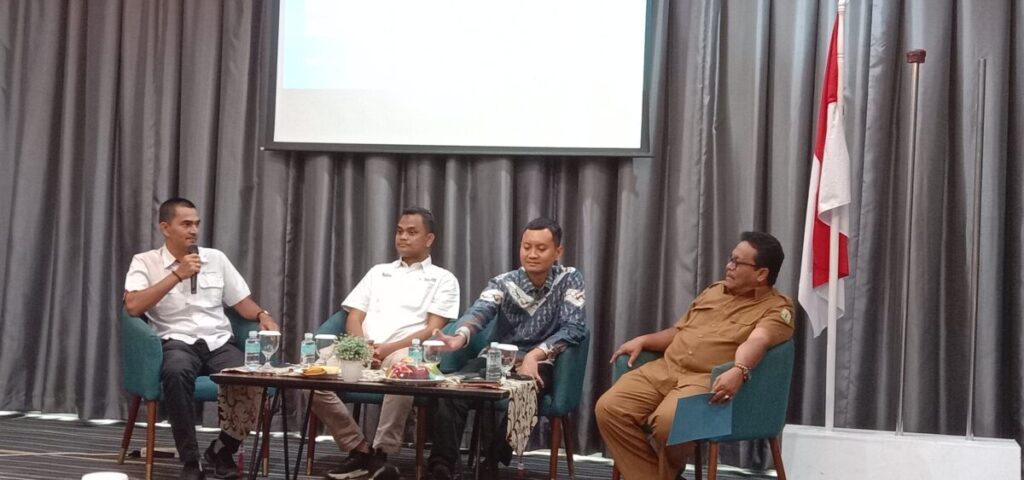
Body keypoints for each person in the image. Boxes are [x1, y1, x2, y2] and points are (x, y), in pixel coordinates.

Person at [595, 231, 795, 480]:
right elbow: (679, 332)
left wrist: (740, 368)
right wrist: (645, 340)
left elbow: (758, 341)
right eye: (730, 259)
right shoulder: (714, 291)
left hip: (704, 379)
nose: (729, 266)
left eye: (737, 262)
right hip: (665, 369)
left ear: (761, 273)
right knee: (609, 408)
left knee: (670, 423)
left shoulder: (777, 308)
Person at [123, 198, 280, 480]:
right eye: (186, 224)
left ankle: (223, 449)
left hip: (218, 341)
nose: (194, 230)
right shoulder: (145, 261)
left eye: (196, 224)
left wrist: (262, 315)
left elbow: (241, 302)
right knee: (175, 373)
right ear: (165, 228)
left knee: (256, 377)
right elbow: (133, 307)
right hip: (176, 342)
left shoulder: (215, 259)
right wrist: (177, 275)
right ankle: (190, 460)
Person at [427, 217, 587, 480]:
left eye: (541, 248)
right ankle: (441, 467)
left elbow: (575, 328)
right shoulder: (503, 282)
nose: (532, 254)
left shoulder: (570, 279)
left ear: (557, 251)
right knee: (452, 391)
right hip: (496, 359)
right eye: (526, 247)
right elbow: (480, 310)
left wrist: (535, 355)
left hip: (541, 361)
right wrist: (459, 337)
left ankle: (492, 462)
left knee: (528, 392)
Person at [311, 207, 460, 480]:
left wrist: (387, 349)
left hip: (404, 350)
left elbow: (433, 328)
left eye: (412, 232)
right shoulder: (378, 272)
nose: (403, 237)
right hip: (361, 348)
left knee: (406, 373)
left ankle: (382, 453)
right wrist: (362, 347)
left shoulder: (443, 278)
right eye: (400, 231)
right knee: (309, 379)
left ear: (429, 239)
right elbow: (354, 316)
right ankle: (359, 448)